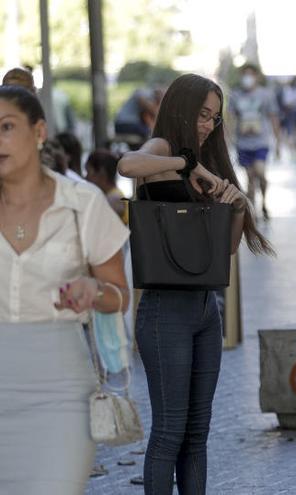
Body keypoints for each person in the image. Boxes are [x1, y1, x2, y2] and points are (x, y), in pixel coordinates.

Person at [117, 73, 274, 495]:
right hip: (164, 310)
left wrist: (237, 206)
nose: (207, 125)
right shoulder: (164, 149)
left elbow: (224, 251)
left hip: (206, 309)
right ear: (181, 109)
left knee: (197, 434)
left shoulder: (213, 163)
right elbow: (127, 165)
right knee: (169, 432)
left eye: (215, 118)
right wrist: (186, 165)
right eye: (203, 114)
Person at [0, 85, 130, 494]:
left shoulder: (83, 202)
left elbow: (120, 296)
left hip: (60, 392)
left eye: (6, 127)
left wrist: (94, 289)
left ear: (39, 132)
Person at [229, 63, 282, 221]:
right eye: (245, 74)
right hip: (243, 143)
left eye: (251, 74)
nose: (248, 78)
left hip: (261, 141)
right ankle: (253, 210)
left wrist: (278, 140)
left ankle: (264, 201)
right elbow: (231, 117)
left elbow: (273, 117)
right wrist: (229, 137)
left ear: (257, 76)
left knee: (260, 172)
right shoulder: (235, 95)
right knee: (250, 178)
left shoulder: (266, 95)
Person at [85, 149, 127, 223]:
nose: (86, 177)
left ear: (101, 172)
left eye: (88, 172)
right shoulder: (110, 196)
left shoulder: (113, 199)